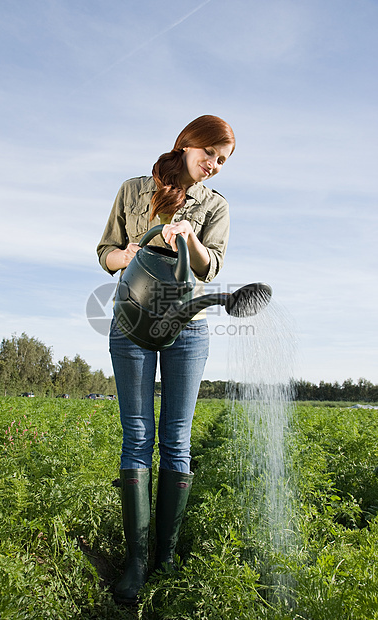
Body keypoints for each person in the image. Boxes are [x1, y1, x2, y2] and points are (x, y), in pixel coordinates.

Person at [96, 114, 235, 605]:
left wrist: (190, 240)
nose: (215, 165)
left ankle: (166, 555)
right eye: (210, 154)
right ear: (188, 144)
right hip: (133, 321)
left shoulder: (214, 205)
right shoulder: (134, 189)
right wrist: (130, 253)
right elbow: (105, 251)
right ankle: (135, 560)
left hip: (187, 328)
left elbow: (213, 265)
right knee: (137, 437)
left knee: (176, 440)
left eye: (223, 160)